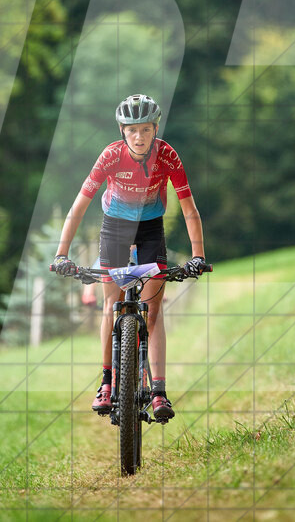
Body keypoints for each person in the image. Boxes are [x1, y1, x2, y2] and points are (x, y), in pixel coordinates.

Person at [52, 94, 206, 422]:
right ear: (123, 130)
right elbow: (78, 206)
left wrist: (197, 256)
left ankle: (159, 391)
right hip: (116, 228)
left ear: (155, 129)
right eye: (133, 129)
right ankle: (107, 383)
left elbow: (190, 209)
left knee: (153, 311)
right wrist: (61, 253)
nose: (139, 136)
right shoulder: (110, 156)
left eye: (146, 129)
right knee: (111, 304)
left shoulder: (167, 156)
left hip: (151, 228)